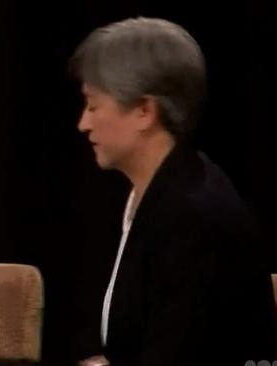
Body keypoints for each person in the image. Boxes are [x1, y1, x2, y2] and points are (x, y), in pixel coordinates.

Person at [69, 17, 277, 366]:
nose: (83, 123)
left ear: (144, 111)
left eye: (93, 105)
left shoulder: (193, 218)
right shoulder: (159, 192)